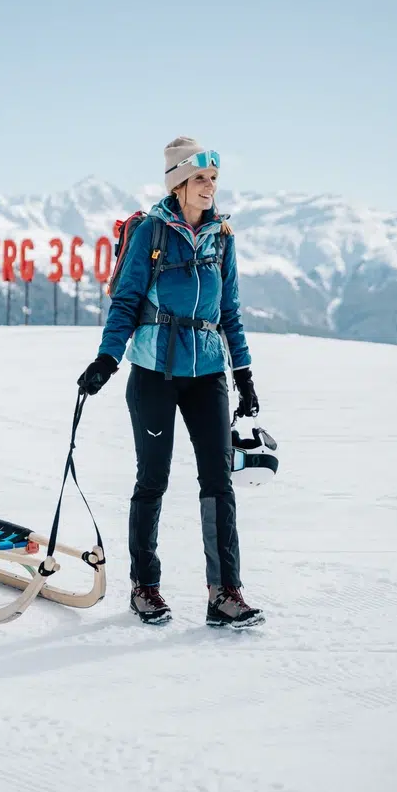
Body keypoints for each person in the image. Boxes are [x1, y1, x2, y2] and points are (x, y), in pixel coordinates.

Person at [77, 136, 263, 629]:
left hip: (207, 375)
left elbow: (230, 313)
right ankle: (145, 586)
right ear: (178, 183)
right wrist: (106, 359)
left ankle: (224, 592)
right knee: (153, 479)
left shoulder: (223, 236)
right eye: (200, 178)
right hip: (154, 374)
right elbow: (126, 300)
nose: (209, 187)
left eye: (214, 179)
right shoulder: (152, 233)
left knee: (219, 482)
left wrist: (242, 373)